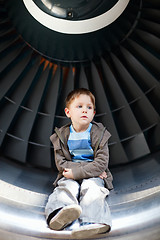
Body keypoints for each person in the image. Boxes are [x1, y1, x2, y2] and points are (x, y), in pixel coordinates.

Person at [45, 88, 113, 238]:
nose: (85, 111)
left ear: (94, 113)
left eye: (89, 107)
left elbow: (102, 163)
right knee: (65, 187)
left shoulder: (100, 134)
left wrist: (78, 171)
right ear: (68, 112)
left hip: (93, 175)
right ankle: (58, 214)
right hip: (72, 174)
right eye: (79, 106)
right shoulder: (61, 136)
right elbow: (61, 163)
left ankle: (94, 222)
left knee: (93, 189)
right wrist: (82, 171)